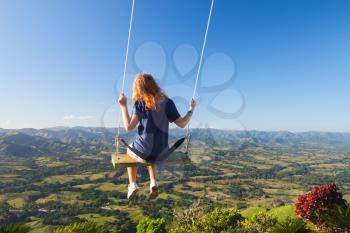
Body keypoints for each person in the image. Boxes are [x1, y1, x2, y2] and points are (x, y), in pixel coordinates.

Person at [118, 73, 196, 200]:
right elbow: (182, 124)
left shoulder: (140, 103)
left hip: (143, 152)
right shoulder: (168, 102)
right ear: (154, 85)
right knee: (151, 150)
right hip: (161, 153)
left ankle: (132, 184)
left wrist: (123, 106)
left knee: (131, 149)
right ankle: (153, 182)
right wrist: (191, 109)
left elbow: (128, 127)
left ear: (139, 88)